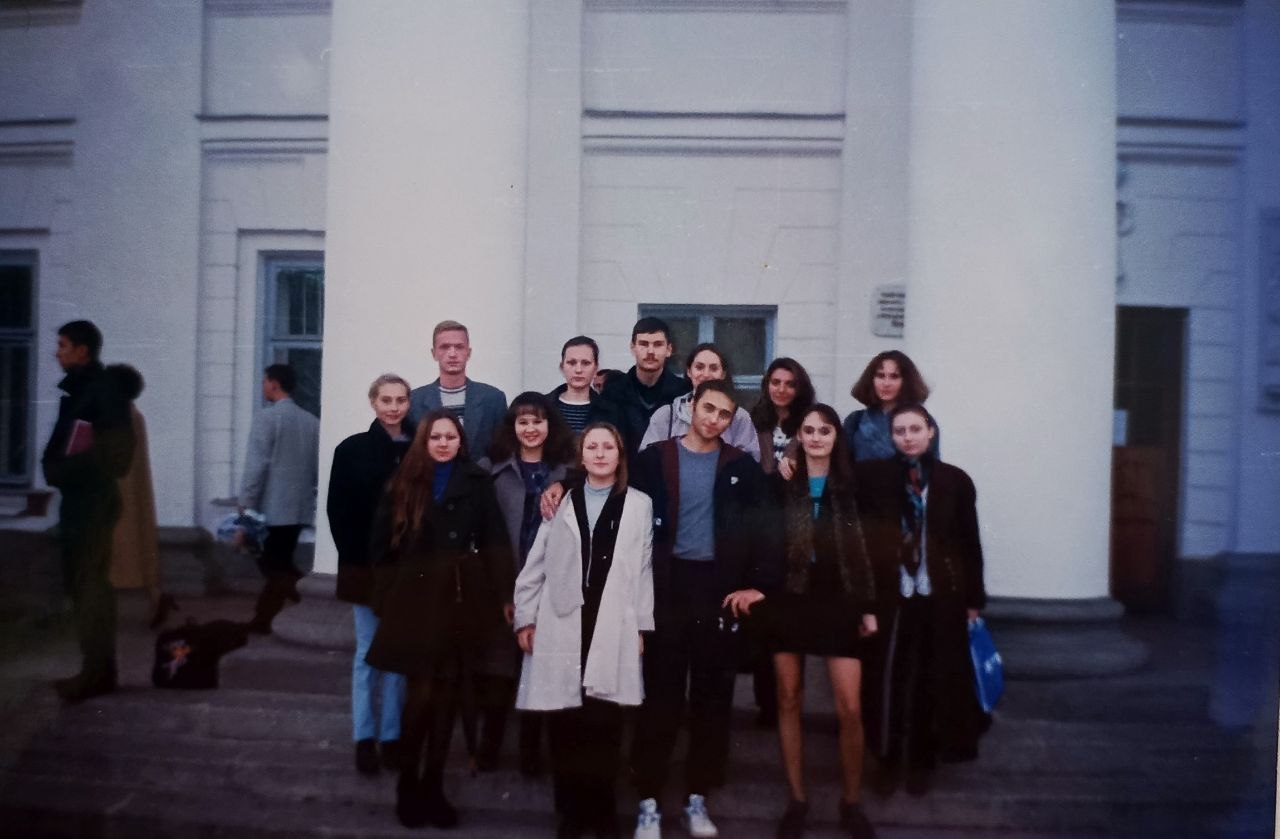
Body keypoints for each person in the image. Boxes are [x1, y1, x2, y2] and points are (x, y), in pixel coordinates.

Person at [629, 379, 783, 839]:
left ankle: (698, 795)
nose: (714, 419)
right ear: (690, 407)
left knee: (712, 698)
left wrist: (758, 585)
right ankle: (648, 800)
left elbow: (767, 530)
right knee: (660, 696)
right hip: (666, 588)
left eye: (724, 414)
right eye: (708, 408)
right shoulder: (654, 459)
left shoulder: (741, 467)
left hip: (716, 590)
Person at [364, 410, 514, 830]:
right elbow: (380, 547)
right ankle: (407, 784)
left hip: (459, 600)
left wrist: (505, 594)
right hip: (415, 601)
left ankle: (433, 785)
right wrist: (386, 597)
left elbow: (495, 540)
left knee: (448, 697)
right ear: (424, 442)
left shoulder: (476, 482)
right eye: (436, 437)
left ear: (460, 442)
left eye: (451, 437)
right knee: (421, 696)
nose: (444, 443)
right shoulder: (403, 482)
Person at [740, 404, 878, 839]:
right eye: (809, 430)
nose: (816, 437)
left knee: (850, 707)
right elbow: (763, 540)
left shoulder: (853, 485)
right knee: (787, 697)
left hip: (839, 599)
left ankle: (851, 802)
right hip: (790, 598)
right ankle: (797, 799)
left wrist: (868, 606)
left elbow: (868, 549)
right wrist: (759, 586)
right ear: (799, 435)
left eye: (825, 431)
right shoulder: (782, 482)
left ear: (837, 437)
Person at [513, 422, 654, 839]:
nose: (600, 454)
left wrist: (641, 626)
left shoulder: (638, 504)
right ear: (582, 456)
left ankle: (602, 811)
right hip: (563, 618)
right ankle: (572, 812)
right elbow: (536, 563)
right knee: (566, 721)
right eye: (592, 447)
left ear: (620, 454)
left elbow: (643, 569)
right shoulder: (562, 501)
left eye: (608, 446)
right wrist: (526, 617)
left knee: (604, 720)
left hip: (612, 620)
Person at [854, 404, 986, 797]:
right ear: (892, 436)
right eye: (900, 431)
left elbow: (969, 543)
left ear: (930, 432)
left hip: (939, 596)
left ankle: (923, 760)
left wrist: (973, 599)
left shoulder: (954, 481)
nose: (908, 437)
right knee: (888, 679)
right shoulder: (875, 477)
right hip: (893, 595)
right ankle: (887, 758)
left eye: (915, 429)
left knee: (932, 679)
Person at [475, 392, 576, 776]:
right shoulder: (492, 470)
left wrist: (565, 485)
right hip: (505, 579)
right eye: (523, 422)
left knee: (538, 669)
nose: (531, 429)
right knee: (500, 669)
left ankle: (531, 753)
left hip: (550, 585)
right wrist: (503, 590)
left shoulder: (567, 470)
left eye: (538, 421)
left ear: (550, 425)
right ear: (512, 427)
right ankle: (489, 748)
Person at [41, 320, 135, 702]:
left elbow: (117, 457)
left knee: (90, 585)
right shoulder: (84, 389)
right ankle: (96, 669)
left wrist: (61, 469)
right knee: (84, 585)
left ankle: (96, 673)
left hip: (91, 502)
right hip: (81, 500)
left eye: (63, 345)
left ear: (83, 350)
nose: (57, 353)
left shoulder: (100, 391)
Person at [326, 374, 413, 776]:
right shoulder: (352, 449)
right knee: (366, 653)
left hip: (406, 569)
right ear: (373, 402)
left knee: (396, 654)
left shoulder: (418, 448)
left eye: (400, 400)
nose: (393, 407)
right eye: (386, 400)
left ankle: (391, 737)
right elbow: (338, 511)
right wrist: (358, 560)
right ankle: (364, 736)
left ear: (408, 404)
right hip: (365, 566)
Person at [238, 363, 320, 634]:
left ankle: (298, 606)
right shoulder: (311, 422)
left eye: (264, 381)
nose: (263, 386)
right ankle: (266, 618)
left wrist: (245, 505)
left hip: (270, 509)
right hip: (299, 508)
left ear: (274, 384)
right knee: (280, 563)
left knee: (273, 565)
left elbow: (256, 467)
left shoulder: (266, 418)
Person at [105, 364, 175, 630]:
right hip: (132, 493)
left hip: (113, 492)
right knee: (139, 549)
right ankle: (156, 598)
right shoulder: (133, 414)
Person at [589, 317, 689, 468]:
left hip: (668, 477)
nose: (650, 351)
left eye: (657, 344)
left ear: (669, 349)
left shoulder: (682, 394)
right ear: (632, 347)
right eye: (643, 344)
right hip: (623, 477)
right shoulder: (612, 393)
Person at [639, 343, 760, 461]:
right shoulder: (666, 415)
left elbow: (748, 464)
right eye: (699, 367)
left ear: (723, 374)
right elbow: (647, 462)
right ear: (689, 371)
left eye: (713, 368)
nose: (706, 374)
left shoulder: (739, 417)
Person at [408, 320, 508, 461]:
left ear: (469, 352)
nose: (452, 354)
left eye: (459, 347)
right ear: (434, 353)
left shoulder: (493, 399)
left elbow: (503, 451)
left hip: (479, 475)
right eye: (444, 347)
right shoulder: (414, 401)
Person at [844, 351, 939, 461]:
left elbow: (933, 466)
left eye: (894, 376)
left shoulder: (923, 421)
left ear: (907, 380)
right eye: (881, 376)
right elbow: (843, 464)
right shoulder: (855, 421)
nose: (886, 383)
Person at [750, 358, 816, 475]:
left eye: (790, 384)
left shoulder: (812, 424)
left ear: (800, 389)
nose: (781, 390)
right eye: (776, 382)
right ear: (767, 385)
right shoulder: (751, 422)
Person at [548, 336, 599, 434]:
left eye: (586, 363)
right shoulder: (543, 407)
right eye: (572, 363)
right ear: (562, 367)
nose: (578, 370)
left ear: (596, 369)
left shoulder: (609, 411)